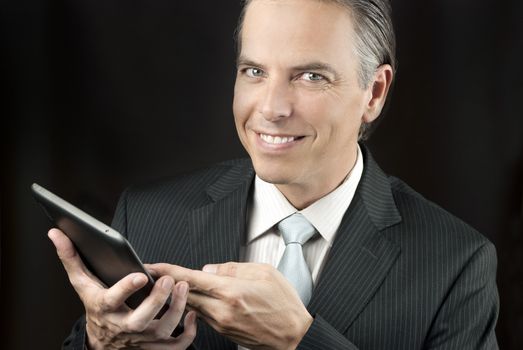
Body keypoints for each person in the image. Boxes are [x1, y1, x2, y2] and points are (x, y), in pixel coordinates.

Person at [48, 0, 499, 349]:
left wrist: (301, 340)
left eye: (311, 77)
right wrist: (99, 341)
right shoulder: (147, 215)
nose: (270, 108)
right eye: (254, 71)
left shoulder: (455, 264)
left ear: (374, 93)